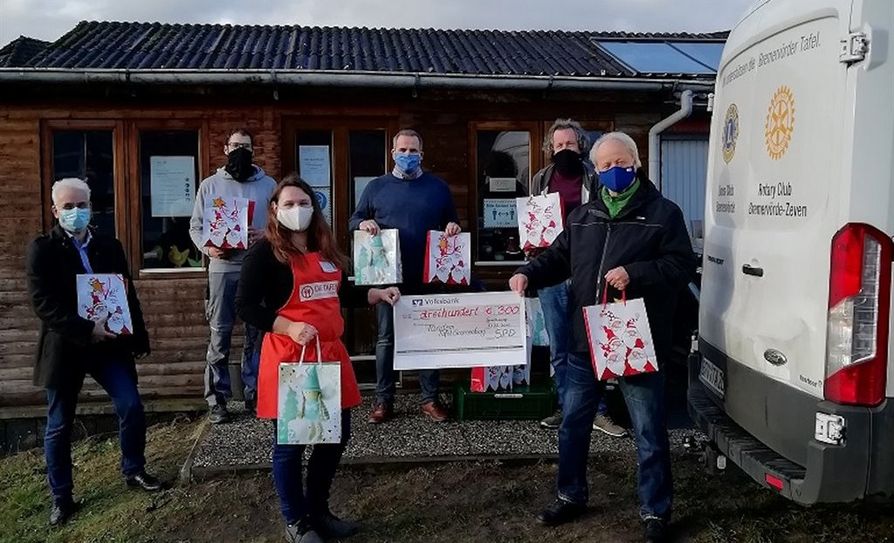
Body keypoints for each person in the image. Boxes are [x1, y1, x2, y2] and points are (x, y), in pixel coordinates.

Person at [509, 132, 696, 543]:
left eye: (621, 162)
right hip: (585, 339)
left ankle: (654, 512)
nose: (614, 171)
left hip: (635, 337)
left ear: (636, 163)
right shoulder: (583, 217)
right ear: (597, 169)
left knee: (648, 430)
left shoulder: (664, 214)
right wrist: (528, 273)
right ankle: (570, 495)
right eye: (606, 165)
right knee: (573, 425)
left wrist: (637, 273)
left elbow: (681, 265)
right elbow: (558, 257)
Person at [236, 175, 400, 543]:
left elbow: (338, 293)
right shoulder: (264, 253)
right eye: (289, 204)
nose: (298, 210)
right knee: (291, 443)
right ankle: (296, 521)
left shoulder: (326, 249)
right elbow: (244, 306)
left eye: (304, 203)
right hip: (291, 358)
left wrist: (374, 292)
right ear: (275, 210)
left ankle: (318, 511)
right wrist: (287, 326)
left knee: (334, 437)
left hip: (331, 356)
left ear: (315, 208)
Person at [26, 178, 162, 527]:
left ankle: (134, 469)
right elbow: (43, 304)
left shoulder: (109, 245)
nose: (76, 212)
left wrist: (138, 336)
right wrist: (87, 329)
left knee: (130, 404)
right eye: (68, 207)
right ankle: (62, 497)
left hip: (110, 346)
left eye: (81, 205)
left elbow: (125, 293)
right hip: (66, 347)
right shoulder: (43, 249)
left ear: (91, 207)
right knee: (59, 424)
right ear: (55, 211)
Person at [348, 129, 461, 424]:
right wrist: (364, 223)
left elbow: (453, 221)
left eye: (413, 151)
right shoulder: (376, 187)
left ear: (422, 154)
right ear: (392, 152)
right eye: (403, 150)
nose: (407, 155)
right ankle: (383, 400)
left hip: (428, 277)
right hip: (388, 277)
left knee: (429, 339)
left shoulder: (437, 187)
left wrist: (452, 228)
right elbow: (354, 220)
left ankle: (429, 398)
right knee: (385, 339)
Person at [530, 119, 625, 438]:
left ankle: (598, 411)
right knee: (559, 344)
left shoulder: (594, 177)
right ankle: (566, 407)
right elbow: (533, 223)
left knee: (592, 342)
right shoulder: (540, 179)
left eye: (569, 144)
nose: (563, 150)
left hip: (587, 272)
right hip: (553, 273)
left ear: (580, 145)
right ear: (550, 149)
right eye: (558, 145)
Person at [189, 128, 277, 424]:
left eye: (246, 146)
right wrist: (208, 248)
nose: (240, 150)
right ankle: (217, 399)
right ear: (226, 148)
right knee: (220, 333)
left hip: (259, 269)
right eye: (236, 145)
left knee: (257, 334)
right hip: (222, 269)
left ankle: (255, 393)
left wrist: (266, 233)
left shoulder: (269, 185)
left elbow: (282, 224)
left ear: (254, 151)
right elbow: (196, 227)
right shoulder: (210, 185)